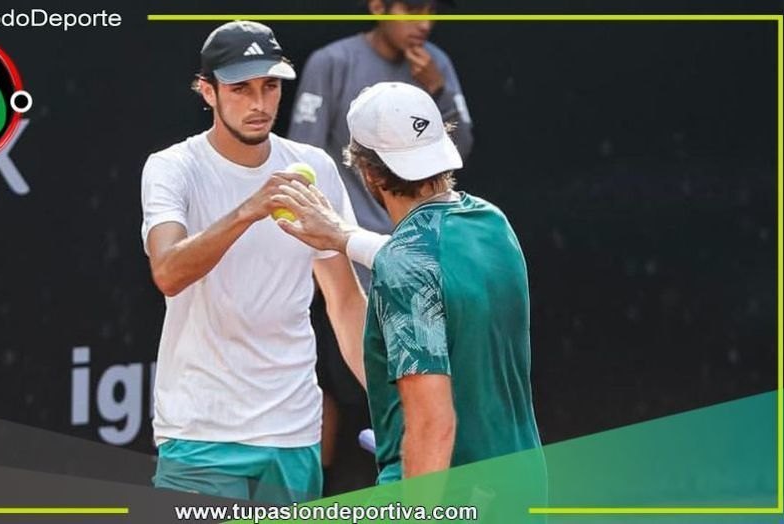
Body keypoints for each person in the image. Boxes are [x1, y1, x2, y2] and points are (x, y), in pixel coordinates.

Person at [140, 21, 366, 504]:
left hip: (292, 434)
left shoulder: (315, 167)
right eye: (240, 89)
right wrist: (249, 209)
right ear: (207, 91)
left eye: (270, 86)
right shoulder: (171, 168)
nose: (259, 103)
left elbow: (345, 301)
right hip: (201, 434)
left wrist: (395, 403)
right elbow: (168, 272)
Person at [272, 82, 542, 485]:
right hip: (522, 484)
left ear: (367, 171)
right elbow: (427, 260)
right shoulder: (491, 223)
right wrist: (344, 236)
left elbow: (433, 424)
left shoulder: (404, 269)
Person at [287, 0, 474, 490]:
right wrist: (328, 244)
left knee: (416, 392)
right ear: (378, 7)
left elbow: (462, 145)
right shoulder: (333, 62)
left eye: (431, 10)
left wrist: (438, 91)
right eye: (412, 8)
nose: (424, 23)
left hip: (412, 265)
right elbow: (301, 155)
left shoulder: (437, 64)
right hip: (344, 261)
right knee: (331, 385)